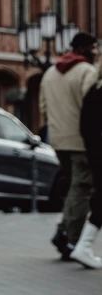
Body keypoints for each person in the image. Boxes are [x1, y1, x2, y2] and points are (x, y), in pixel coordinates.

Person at [39, 31, 98, 260]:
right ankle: (69, 238)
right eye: (94, 48)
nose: (96, 52)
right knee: (81, 189)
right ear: (83, 49)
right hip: (82, 141)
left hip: (58, 139)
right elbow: (91, 108)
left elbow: (43, 108)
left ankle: (65, 230)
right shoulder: (87, 72)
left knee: (74, 186)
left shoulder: (51, 72)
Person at [71, 55, 102, 268]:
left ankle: (83, 245)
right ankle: (83, 246)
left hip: (95, 154)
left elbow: (85, 127)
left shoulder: (94, 90)